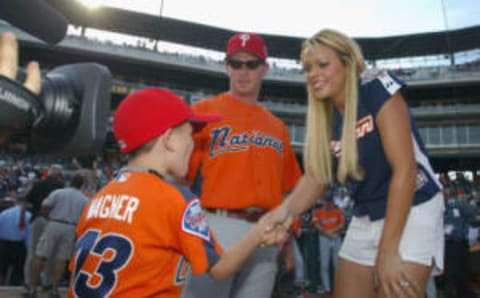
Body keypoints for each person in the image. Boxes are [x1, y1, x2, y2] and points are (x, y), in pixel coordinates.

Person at [263, 29, 445, 298]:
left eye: (323, 64)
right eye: (308, 68)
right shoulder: (325, 116)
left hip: (413, 206)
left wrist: (388, 251)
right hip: (367, 212)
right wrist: (285, 211)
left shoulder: (375, 85)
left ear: (348, 64)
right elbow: (316, 178)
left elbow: (405, 169)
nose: (313, 74)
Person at [68, 87, 282, 298]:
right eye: (190, 134)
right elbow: (220, 269)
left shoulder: (99, 196)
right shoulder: (175, 199)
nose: (193, 143)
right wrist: (258, 231)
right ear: (168, 139)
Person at [182, 32, 302, 298]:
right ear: (227, 67)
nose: (243, 71)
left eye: (251, 64)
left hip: (267, 234)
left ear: (265, 69)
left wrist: (289, 236)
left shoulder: (278, 127)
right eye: (236, 64)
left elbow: (291, 189)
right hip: (217, 226)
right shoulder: (203, 111)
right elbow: (181, 177)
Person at [24, 173, 89, 298]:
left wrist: (47, 216)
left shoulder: (59, 192)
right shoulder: (84, 199)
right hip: (71, 227)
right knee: (61, 260)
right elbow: (84, 217)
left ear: (70, 182)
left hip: (54, 222)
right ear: (82, 185)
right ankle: (54, 291)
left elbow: (44, 206)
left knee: (41, 255)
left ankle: (32, 289)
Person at [23, 164, 64, 292]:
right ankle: (47, 282)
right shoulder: (60, 186)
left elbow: (26, 200)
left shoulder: (38, 184)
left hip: (36, 218)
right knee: (49, 253)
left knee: (33, 252)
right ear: (59, 174)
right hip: (51, 220)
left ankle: (28, 282)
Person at [311, 194, 344, 295]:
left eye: (330, 201)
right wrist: (327, 232)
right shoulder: (318, 212)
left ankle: (338, 288)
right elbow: (315, 224)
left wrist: (330, 231)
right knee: (324, 265)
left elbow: (341, 225)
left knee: (336, 265)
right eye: (327, 201)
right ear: (324, 201)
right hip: (324, 239)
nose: (329, 203)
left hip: (335, 238)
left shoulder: (337, 211)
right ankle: (327, 289)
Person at [0, 193, 31, 286]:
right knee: (18, 271)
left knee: (1, 270)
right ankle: (14, 288)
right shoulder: (28, 215)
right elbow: (28, 235)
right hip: (19, 245)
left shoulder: (4, 213)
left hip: (4, 244)